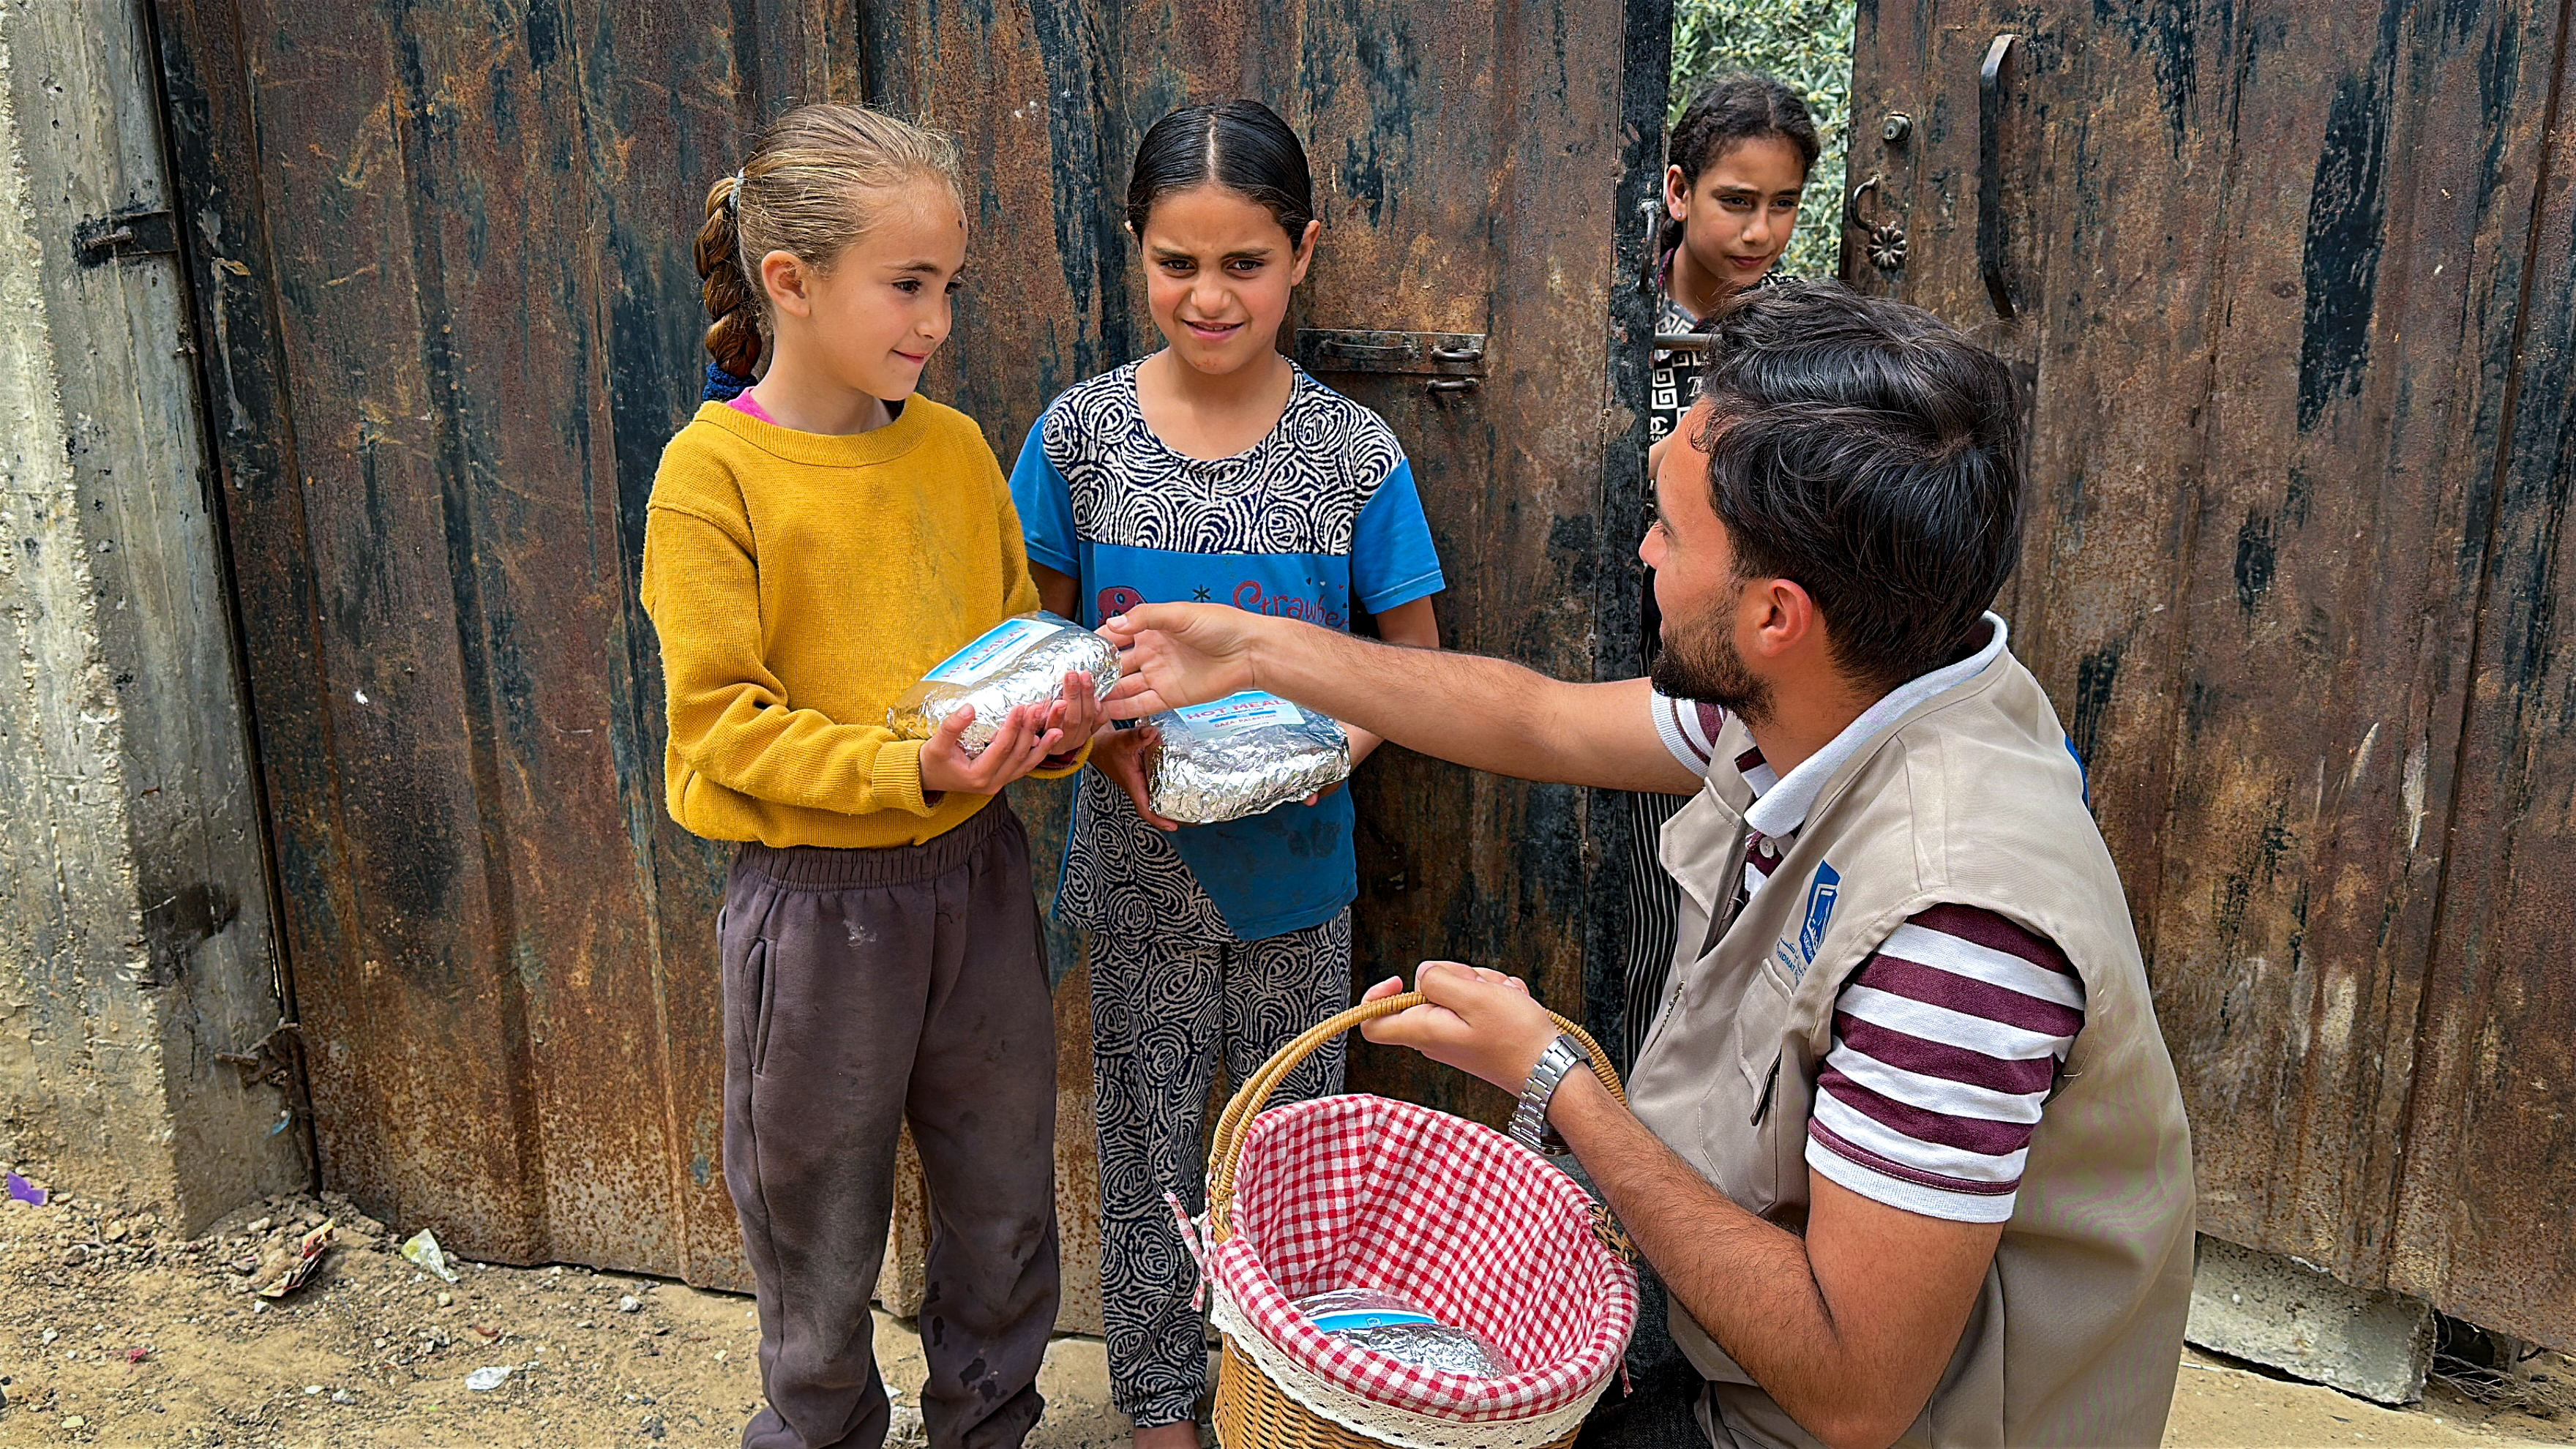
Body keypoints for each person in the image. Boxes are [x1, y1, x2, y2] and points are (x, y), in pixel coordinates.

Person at [1098, 283, 2196, 1449]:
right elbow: (1545, 724)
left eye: (1671, 528)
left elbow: (1854, 1388)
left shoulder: (1956, 933)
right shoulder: (1849, 687)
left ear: (1778, 614)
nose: (1643, 548)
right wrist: (1258, 646)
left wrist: (1558, 1080)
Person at [642, 103, 1102, 1449]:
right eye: (908, 286)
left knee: (1005, 1200)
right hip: (815, 912)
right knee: (817, 1229)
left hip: (979, 880)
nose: (936, 320)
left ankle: (984, 1427)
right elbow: (723, 727)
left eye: (948, 285)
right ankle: (822, 1433)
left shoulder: (956, 450)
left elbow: (1011, 637)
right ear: (790, 283)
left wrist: (1061, 717)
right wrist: (912, 761)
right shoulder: (712, 477)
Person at [1004, 98, 1447, 1449]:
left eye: (1244, 263)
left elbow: (1413, 666)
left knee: (1290, 1150)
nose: (1210, 295)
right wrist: (1101, 737)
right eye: (1178, 262)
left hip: (1296, 881)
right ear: (1135, 253)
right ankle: (1157, 1407)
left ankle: (1276, 1397)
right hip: (1137, 869)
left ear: (1301, 253)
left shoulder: (1352, 456)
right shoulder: (1079, 441)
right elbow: (1043, 652)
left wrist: (1312, 760)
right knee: (1144, 1148)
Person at [1626, 74, 1821, 1068]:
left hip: (1727, 652)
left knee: (1702, 885)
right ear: (1676, 191)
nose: (1759, 229)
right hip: (1619, 616)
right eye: (1735, 200)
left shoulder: (1793, 341)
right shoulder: (1616, 309)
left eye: (1781, 204)